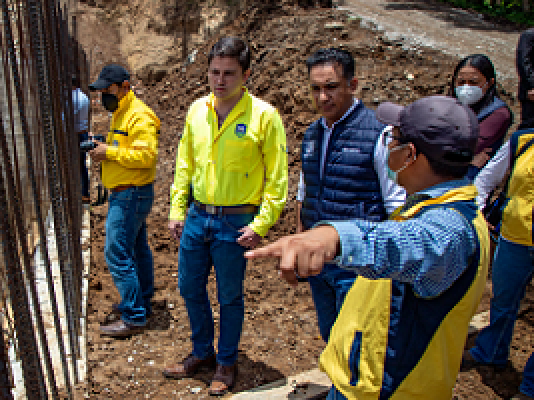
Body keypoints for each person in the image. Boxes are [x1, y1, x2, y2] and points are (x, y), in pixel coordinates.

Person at [247, 95, 489, 399]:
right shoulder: (430, 207)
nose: (388, 145)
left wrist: (334, 237)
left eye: (394, 139)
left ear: (410, 154)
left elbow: (405, 245)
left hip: (388, 390)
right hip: (365, 382)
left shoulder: (451, 228)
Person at [163, 37, 288, 396]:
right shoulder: (196, 111)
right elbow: (184, 164)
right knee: (189, 287)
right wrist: (177, 209)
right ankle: (202, 351)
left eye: (229, 73)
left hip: (235, 222)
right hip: (197, 216)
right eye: (214, 72)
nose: (220, 80)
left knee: (229, 296)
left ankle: (226, 362)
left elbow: (277, 177)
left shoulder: (264, 117)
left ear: (245, 75)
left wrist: (261, 224)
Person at [297, 48, 405, 343]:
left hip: (358, 264)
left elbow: (395, 202)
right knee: (331, 336)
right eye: (315, 89)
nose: (323, 97)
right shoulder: (312, 135)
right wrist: (301, 244)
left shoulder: (379, 134)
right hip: (321, 262)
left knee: (358, 342)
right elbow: (305, 192)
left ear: (352, 84)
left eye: (331, 87)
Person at [87, 64, 160, 337]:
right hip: (127, 193)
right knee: (137, 249)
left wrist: (109, 152)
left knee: (116, 252)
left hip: (131, 193)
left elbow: (147, 156)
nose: (103, 96)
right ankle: (142, 301)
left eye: (108, 90)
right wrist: (102, 144)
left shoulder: (139, 115)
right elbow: (126, 147)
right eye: (101, 91)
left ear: (125, 87)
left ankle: (134, 315)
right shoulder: (121, 113)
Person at [463, 127, 534, 374]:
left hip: (516, 239)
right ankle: (490, 352)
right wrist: (478, 212)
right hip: (515, 239)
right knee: (503, 300)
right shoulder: (522, 141)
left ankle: (530, 384)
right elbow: (485, 180)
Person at [447, 54, 512, 179]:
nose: (466, 87)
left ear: (489, 83)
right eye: (461, 82)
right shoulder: (449, 104)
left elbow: (468, 146)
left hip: (471, 178)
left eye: (473, 82)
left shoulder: (498, 114)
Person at [72, 75, 91, 203]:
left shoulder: (73, 98)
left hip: (75, 135)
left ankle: (80, 192)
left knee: (74, 164)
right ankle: (84, 193)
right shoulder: (84, 96)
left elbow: (68, 116)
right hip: (83, 133)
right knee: (82, 164)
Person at [517, 28, 534, 130]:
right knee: (528, 129)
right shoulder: (529, 35)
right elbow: (524, 63)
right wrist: (532, 86)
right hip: (531, 94)